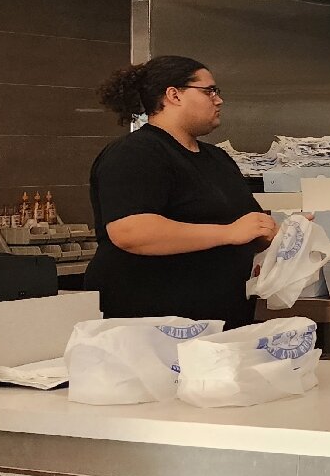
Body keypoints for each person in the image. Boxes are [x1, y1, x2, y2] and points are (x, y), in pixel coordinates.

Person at [85, 56, 279, 326]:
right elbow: (131, 231)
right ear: (174, 95)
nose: (219, 100)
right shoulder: (136, 152)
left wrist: (276, 233)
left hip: (221, 324)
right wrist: (228, 233)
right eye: (209, 91)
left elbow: (246, 226)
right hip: (152, 327)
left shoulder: (218, 158)